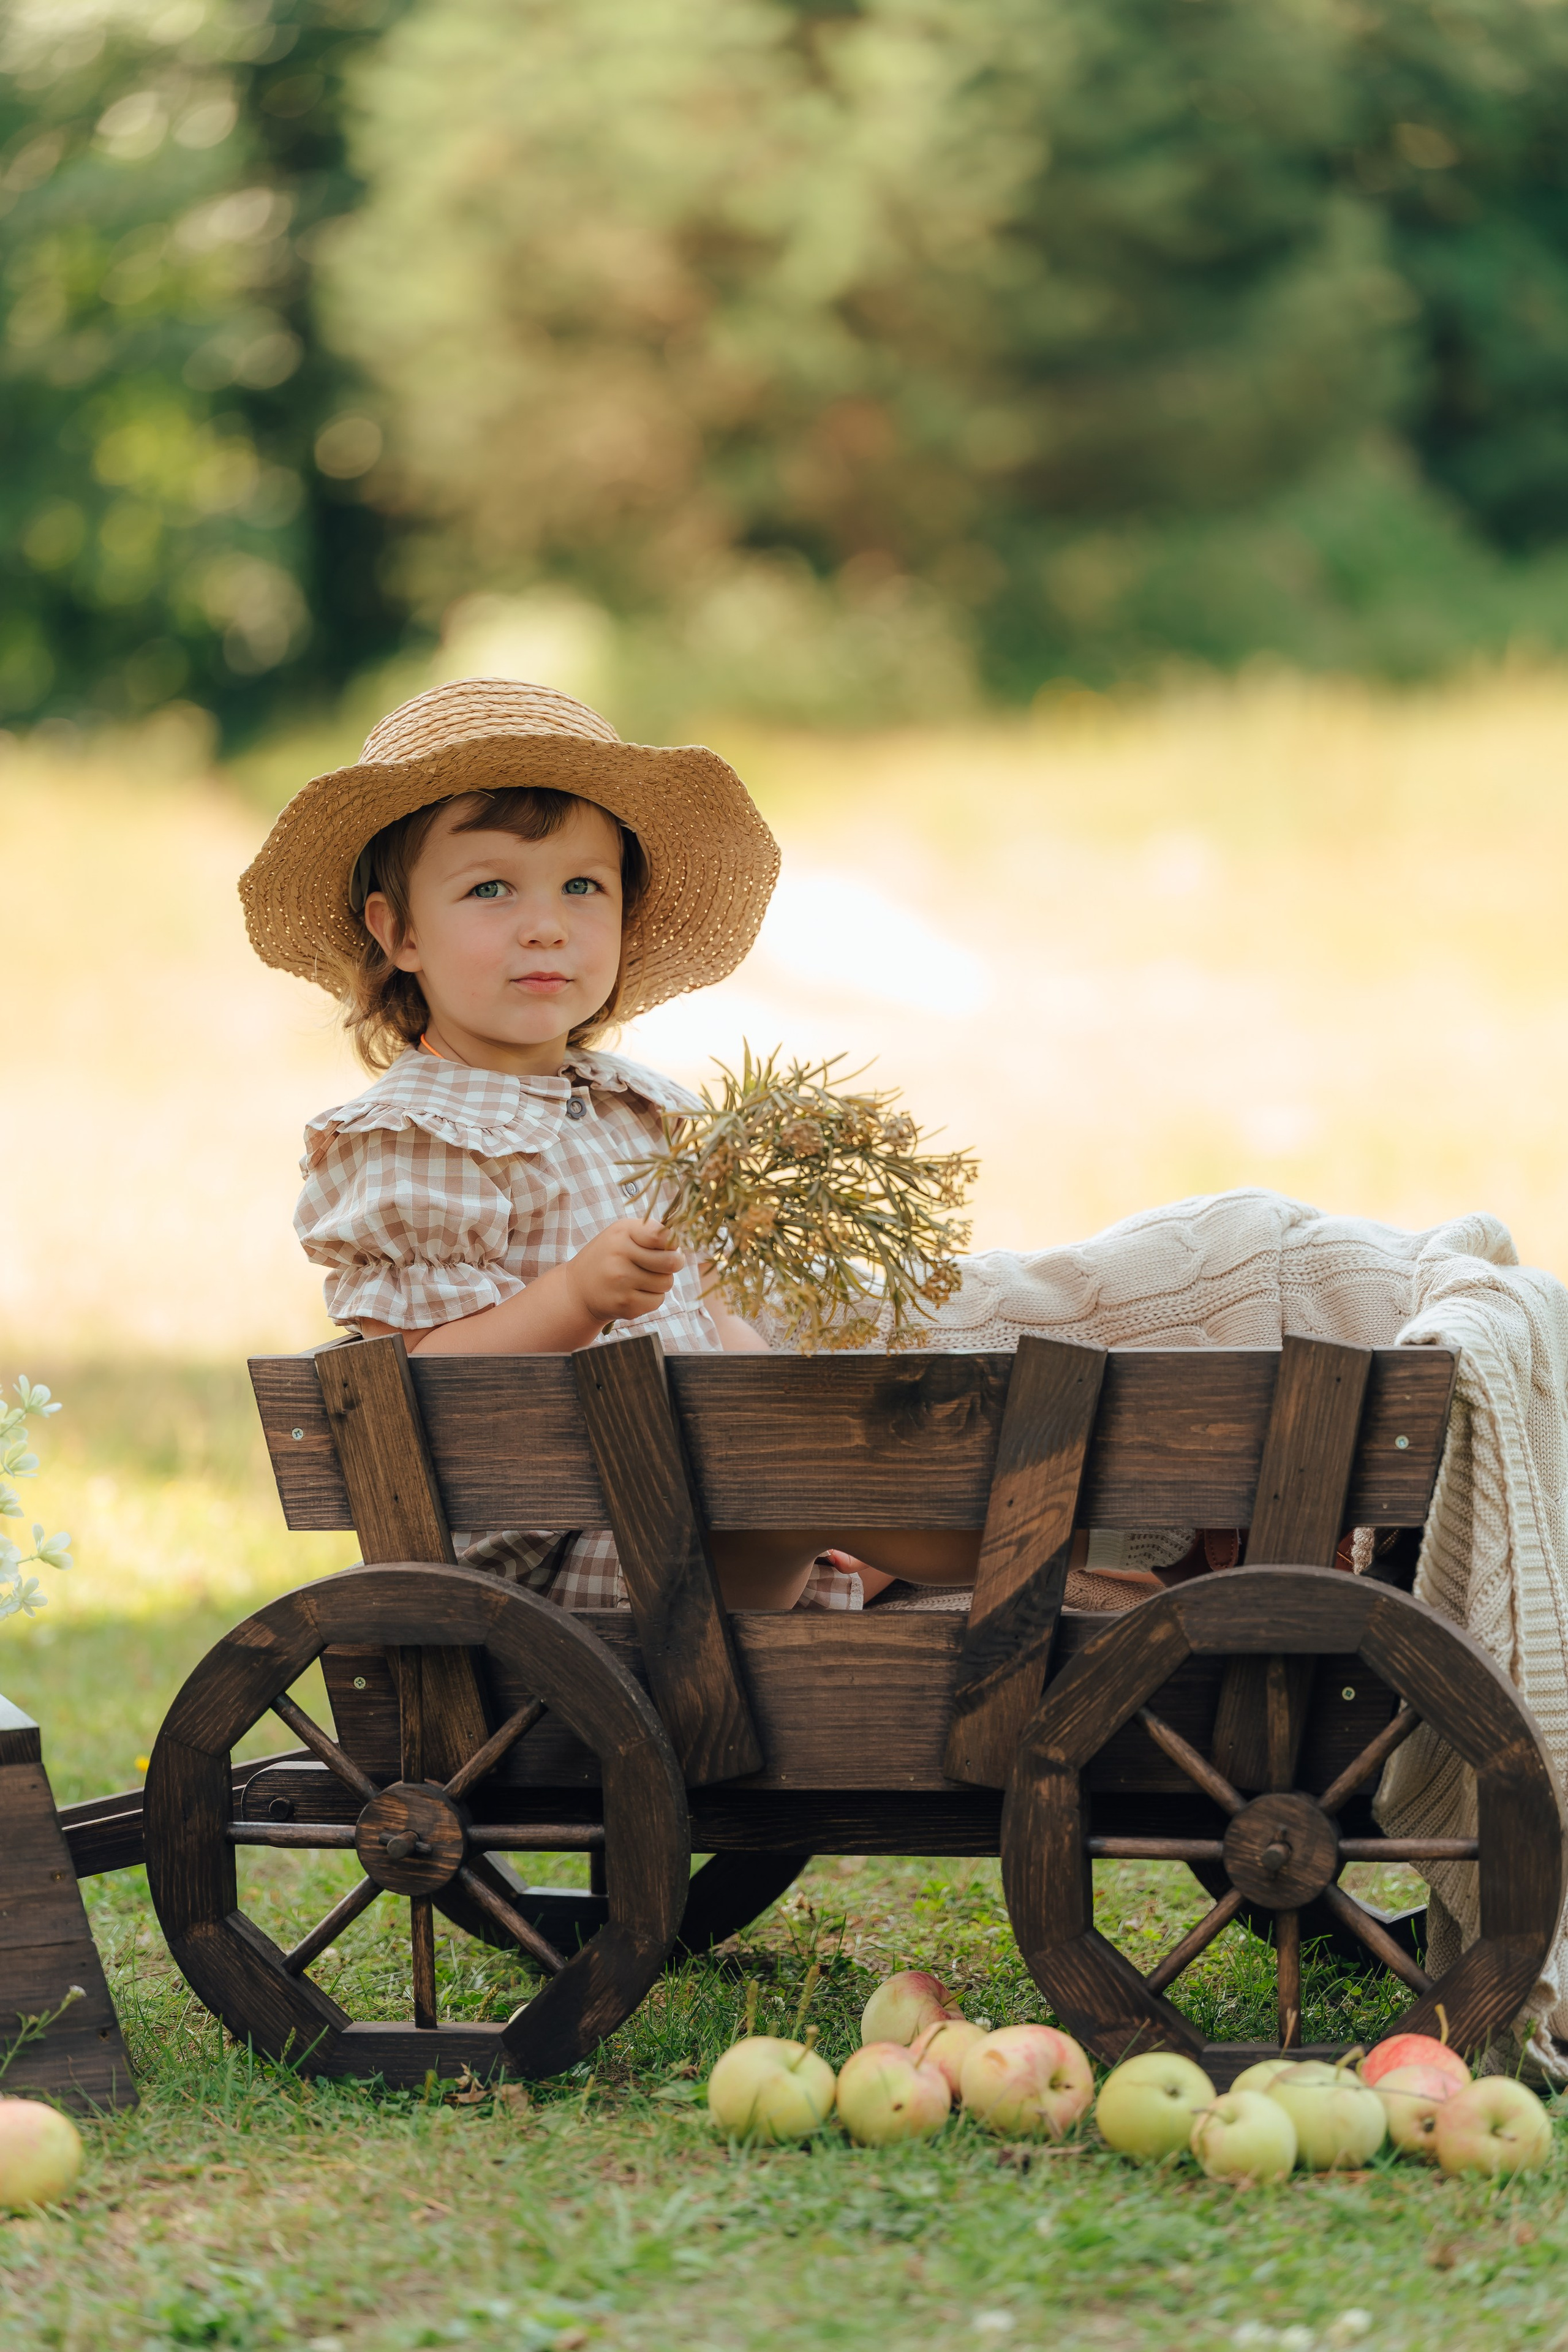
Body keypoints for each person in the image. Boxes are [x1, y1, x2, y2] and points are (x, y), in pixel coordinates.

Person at [240, 676, 981, 1613]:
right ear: (400, 933)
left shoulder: (640, 1111)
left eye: (583, 886)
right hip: (564, 1548)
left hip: (696, 1493)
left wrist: (770, 1410)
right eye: (490, 888)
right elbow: (418, 1389)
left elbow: (710, 1312)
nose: (547, 925)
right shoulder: (408, 1142)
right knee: (796, 1503)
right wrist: (574, 1299)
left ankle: (938, 1523)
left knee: (835, 1463)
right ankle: (976, 1528)